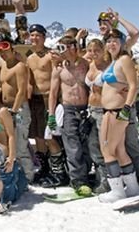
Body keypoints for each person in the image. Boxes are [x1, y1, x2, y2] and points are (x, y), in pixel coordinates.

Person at [98, 29, 139, 203]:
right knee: (119, 150)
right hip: (111, 111)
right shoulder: (114, 61)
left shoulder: (124, 59)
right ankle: (132, 187)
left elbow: (133, 85)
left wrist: (126, 107)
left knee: (107, 150)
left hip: (118, 111)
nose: (111, 44)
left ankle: (117, 190)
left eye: (115, 40)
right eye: (108, 41)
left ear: (122, 43)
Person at [48, 36, 92, 195]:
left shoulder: (86, 64)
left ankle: (88, 175)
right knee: (72, 146)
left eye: (63, 48)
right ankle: (78, 181)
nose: (61, 51)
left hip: (86, 107)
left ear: (73, 47)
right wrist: (51, 115)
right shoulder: (59, 69)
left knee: (88, 144)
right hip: (68, 109)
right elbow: (53, 94)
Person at [26, 24, 68, 187]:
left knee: (49, 136)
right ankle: (44, 169)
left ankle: (57, 170)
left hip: (48, 99)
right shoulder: (30, 58)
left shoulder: (51, 55)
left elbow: (55, 78)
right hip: (35, 100)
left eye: (37, 35)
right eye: (32, 35)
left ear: (44, 37)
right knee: (38, 137)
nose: (34, 38)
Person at [0, 32, 34, 182]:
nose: (2, 51)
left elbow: (21, 91)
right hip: (6, 109)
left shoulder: (19, 67)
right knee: (9, 145)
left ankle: (28, 177)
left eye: (5, 47)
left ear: (12, 48)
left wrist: (14, 110)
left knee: (20, 146)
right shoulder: (2, 66)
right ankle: (15, 175)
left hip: (18, 109)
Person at [85, 38, 111, 193]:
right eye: (91, 50)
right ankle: (100, 177)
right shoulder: (89, 65)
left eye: (97, 50)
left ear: (103, 51)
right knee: (93, 145)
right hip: (91, 109)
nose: (93, 53)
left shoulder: (108, 67)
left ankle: (108, 180)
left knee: (105, 146)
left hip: (104, 110)